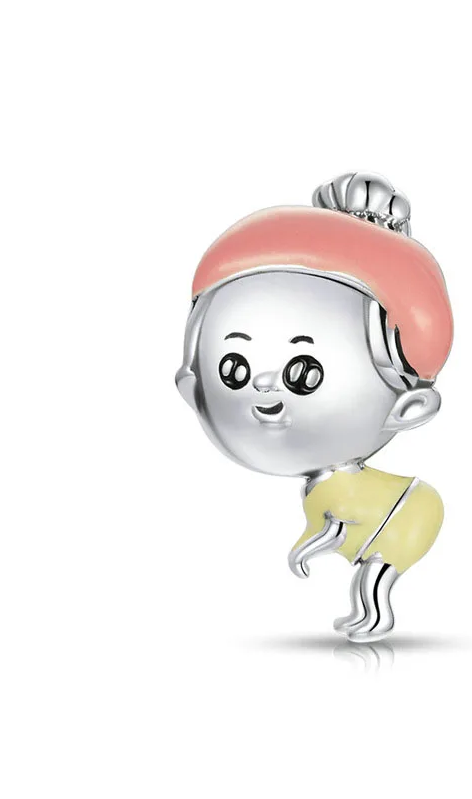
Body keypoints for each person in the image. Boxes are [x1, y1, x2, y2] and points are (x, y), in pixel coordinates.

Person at [177, 172, 453, 641]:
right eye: (234, 369)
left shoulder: (332, 489)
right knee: (374, 579)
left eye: (302, 372)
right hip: (403, 513)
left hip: (407, 514)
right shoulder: (327, 487)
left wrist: (303, 552)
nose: (263, 385)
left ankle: (373, 615)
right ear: (193, 387)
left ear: (409, 407)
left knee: (377, 576)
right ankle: (370, 614)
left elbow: (330, 526)